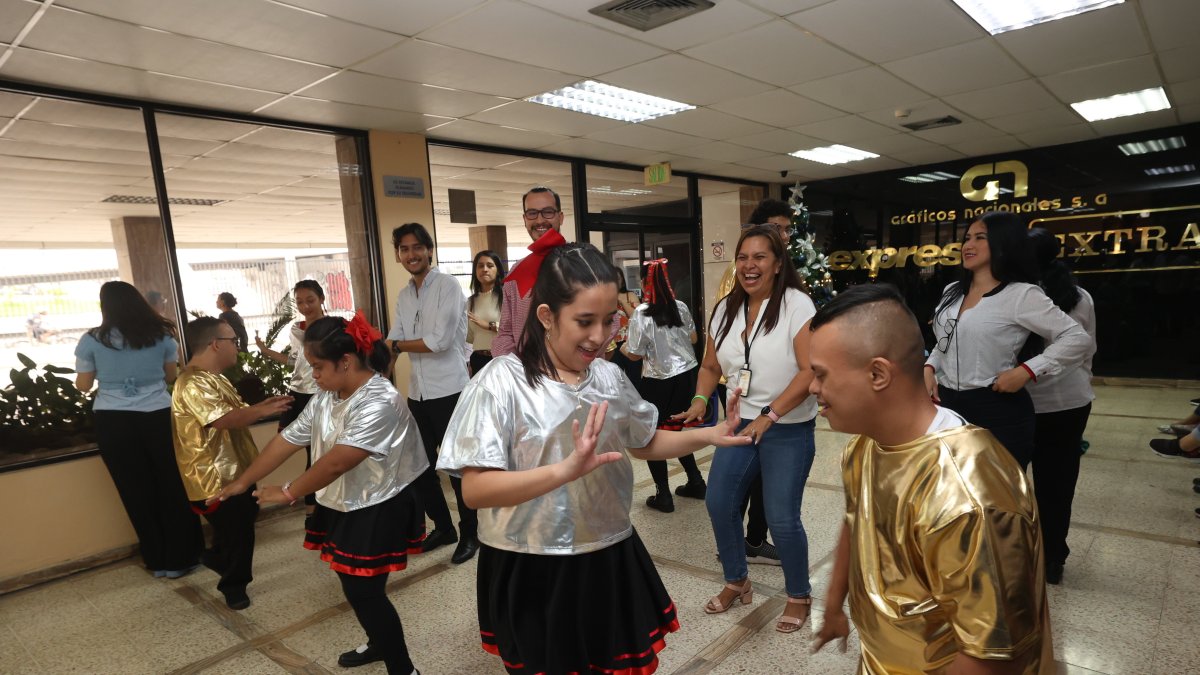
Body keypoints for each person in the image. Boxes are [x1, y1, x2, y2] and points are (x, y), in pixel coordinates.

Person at [437, 243, 751, 675]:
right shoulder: (500, 382)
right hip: (531, 560)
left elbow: (642, 442)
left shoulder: (608, 376)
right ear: (547, 316)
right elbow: (475, 490)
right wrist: (564, 471)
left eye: (609, 320)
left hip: (606, 550)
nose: (600, 335)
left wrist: (710, 435)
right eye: (584, 321)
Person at [809, 284, 1053, 674]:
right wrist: (835, 604)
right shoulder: (864, 447)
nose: (812, 389)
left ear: (878, 374)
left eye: (821, 375)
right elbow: (856, 521)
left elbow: (992, 657)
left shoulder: (969, 497)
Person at [213, 314, 429, 674]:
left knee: (364, 590)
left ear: (345, 361)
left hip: (379, 502)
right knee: (357, 584)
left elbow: (337, 462)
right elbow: (288, 439)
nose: (312, 375)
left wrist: (288, 491)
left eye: (317, 366)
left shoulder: (380, 401)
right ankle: (380, 641)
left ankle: (404, 669)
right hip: (345, 497)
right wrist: (243, 481)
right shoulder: (327, 396)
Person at [675, 225, 819, 633]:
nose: (749, 265)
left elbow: (809, 370)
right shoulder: (725, 308)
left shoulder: (796, 305)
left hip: (786, 427)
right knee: (719, 502)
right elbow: (710, 366)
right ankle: (737, 581)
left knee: (782, 517)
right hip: (740, 426)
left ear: (777, 264)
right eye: (743, 257)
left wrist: (768, 416)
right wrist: (700, 401)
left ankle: (799, 594)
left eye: (759, 257)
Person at [924, 212, 1091, 469]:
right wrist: (929, 367)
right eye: (967, 238)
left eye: (980, 238)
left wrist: (1026, 371)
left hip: (996, 409)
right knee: (952, 486)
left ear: (1004, 244)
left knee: (998, 490)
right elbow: (946, 340)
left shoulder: (1021, 294)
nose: (968, 245)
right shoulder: (952, 291)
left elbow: (1077, 338)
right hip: (949, 408)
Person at [73, 281, 203, 578]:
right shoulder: (162, 336)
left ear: (105, 307)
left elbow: (83, 385)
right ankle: (183, 558)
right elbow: (170, 376)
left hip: (112, 420)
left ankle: (157, 561)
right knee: (172, 485)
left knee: (135, 490)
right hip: (158, 416)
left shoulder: (91, 340)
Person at [172, 317, 293, 610]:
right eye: (234, 341)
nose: (238, 348)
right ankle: (234, 585)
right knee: (239, 530)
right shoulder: (193, 382)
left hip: (237, 469)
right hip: (215, 475)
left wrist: (261, 407)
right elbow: (224, 419)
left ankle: (216, 557)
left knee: (241, 519)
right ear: (216, 344)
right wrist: (263, 411)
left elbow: (237, 412)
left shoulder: (215, 378)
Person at [387, 223, 477, 564]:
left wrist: (395, 345)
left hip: (449, 390)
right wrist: (378, 374)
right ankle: (443, 527)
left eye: (416, 247)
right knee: (420, 465)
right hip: (418, 393)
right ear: (398, 255)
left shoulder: (448, 286)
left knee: (456, 468)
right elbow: (394, 337)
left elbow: (438, 342)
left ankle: (471, 533)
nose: (411, 254)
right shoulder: (404, 295)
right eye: (404, 249)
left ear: (429, 250)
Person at [711, 198, 794, 566]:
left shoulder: (789, 283)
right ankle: (740, 543)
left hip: (777, 401)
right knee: (738, 477)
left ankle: (756, 537)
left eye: (787, 230)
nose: (784, 235)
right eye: (777, 228)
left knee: (766, 479)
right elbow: (724, 341)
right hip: (739, 391)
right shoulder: (740, 276)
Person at [1026, 228, 1097, 585]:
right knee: (1057, 485)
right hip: (1069, 402)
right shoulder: (1079, 295)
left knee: (1006, 483)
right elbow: (1088, 347)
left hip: (1020, 401)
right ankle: (1053, 557)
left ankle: (1015, 552)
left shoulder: (1016, 294)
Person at [491, 186, 620, 358]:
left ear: (560, 217)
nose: (540, 220)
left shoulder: (584, 262)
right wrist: (516, 368)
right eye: (532, 213)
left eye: (548, 212)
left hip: (578, 369)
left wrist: (574, 360)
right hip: (525, 370)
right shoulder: (517, 271)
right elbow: (506, 332)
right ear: (524, 219)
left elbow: (611, 321)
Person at [621, 259, 706, 512]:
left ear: (644, 282)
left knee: (653, 435)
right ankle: (696, 482)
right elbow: (693, 338)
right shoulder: (680, 306)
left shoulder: (642, 312)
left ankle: (663, 495)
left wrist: (621, 346)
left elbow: (634, 354)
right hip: (687, 377)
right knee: (675, 432)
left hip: (659, 381)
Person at [256, 280, 327, 515]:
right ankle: (313, 509)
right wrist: (266, 351)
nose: (305, 306)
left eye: (310, 300)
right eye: (300, 302)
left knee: (319, 453)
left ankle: (315, 511)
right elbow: (295, 361)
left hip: (322, 392)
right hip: (298, 394)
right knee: (304, 449)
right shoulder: (296, 329)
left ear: (321, 299)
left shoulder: (334, 327)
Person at [466, 250, 505, 375]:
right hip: (478, 359)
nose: (484, 269)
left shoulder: (507, 297)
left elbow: (515, 329)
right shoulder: (470, 301)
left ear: (498, 270)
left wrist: (489, 325)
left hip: (501, 359)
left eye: (490, 265)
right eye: (480, 266)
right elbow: (470, 338)